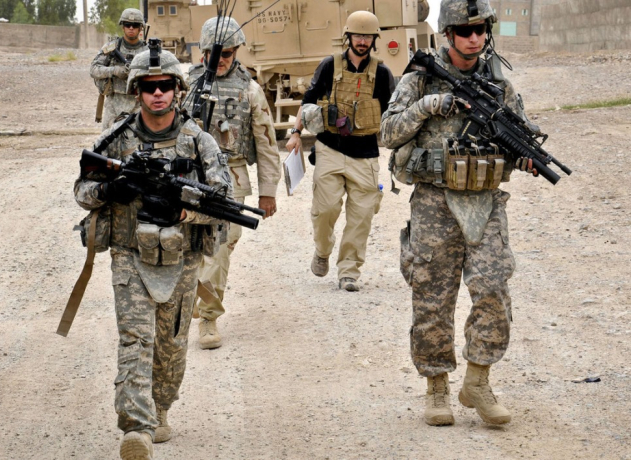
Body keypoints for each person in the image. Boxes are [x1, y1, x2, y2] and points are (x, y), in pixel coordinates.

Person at [381, 0, 539, 427]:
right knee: (432, 297)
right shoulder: (419, 80)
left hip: (485, 203)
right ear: (447, 34)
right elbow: (388, 132)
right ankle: (436, 387)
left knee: (493, 289)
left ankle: (478, 381)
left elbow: (520, 135)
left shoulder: (499, 86)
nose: (475, 38)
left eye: (481, 29)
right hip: (434, 203)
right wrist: (428, 105)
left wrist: (524, 157)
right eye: (465, 31)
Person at [74, 48, 232, 458]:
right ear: (137, 91)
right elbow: (82, 192)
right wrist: (112, 188)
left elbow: (224, 202)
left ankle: (161, 409)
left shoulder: (199, 142)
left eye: (164, 86)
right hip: (129, 254)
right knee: (135, 340)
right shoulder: (116, 139)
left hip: (182, 259)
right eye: (149, 86)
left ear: (177, 89)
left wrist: (185, 212)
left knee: (171, 346)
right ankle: (137, 427)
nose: (157, 93)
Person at [187, 16, 282, 350]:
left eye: (227, 53)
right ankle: (193, 297)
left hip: (232, 175)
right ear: (203, 52)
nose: (220, 60)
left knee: (222, 243)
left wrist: (268, 192)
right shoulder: (186, 84)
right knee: (191, 245)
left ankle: (208, 316)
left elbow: (267, 144)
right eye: (214, 54)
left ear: (236, 52)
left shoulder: (250, 90)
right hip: (191, 174)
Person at [286, 11, 395, 292]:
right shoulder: (329, 65)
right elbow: (308, 101)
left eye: (367, 37)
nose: (362, 41)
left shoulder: (382, 73)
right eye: (358, 36)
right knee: (325, 210)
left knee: (361, 218)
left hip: (366, 154)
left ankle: (349, 272)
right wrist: (296, 134)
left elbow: (393, 114)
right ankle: (322, 251)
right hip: (330, 148)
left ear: (374, 40)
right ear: (348, 37)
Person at [90, 8, 148, 130]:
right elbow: (94, 69)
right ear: (123, 27)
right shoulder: (112, 47)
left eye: (135, 25)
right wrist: (115, 70)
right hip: (113, 105)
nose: (131, 28)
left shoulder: (147, 51)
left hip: (140, 105)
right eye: (127, 24)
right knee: (108, 140)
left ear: (140, 28)